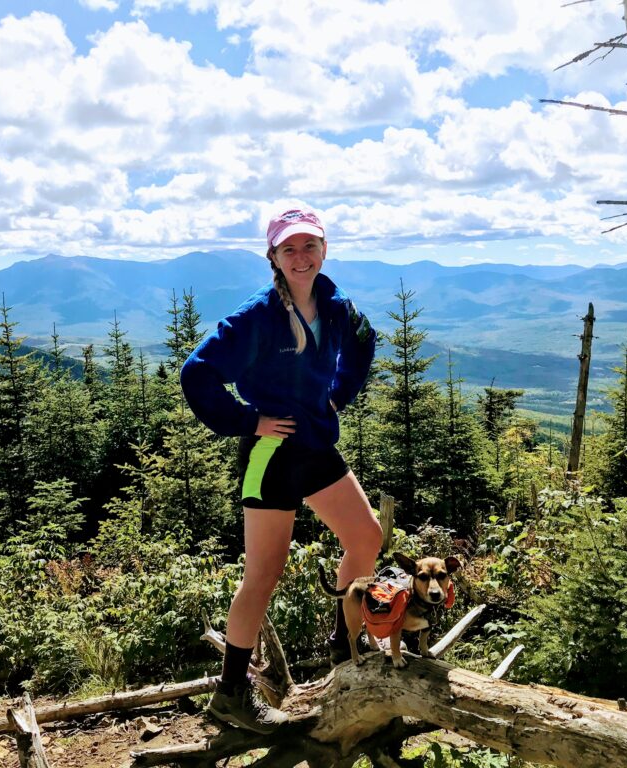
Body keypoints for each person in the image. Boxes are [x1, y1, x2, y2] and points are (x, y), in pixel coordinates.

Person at [180, 208, 381, 734]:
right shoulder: (259, 316)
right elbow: (197, 373)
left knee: (365, 537)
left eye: (309, 246)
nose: (300, 257)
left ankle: (344, 642)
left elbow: (364, 344)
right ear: (272, 257)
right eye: (288, 249)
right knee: (263, 577)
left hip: (315, 444)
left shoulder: (338, 307)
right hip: (271, 455)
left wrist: (339, 395)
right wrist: (248, 420)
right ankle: (231, 695)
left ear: (324, 250)